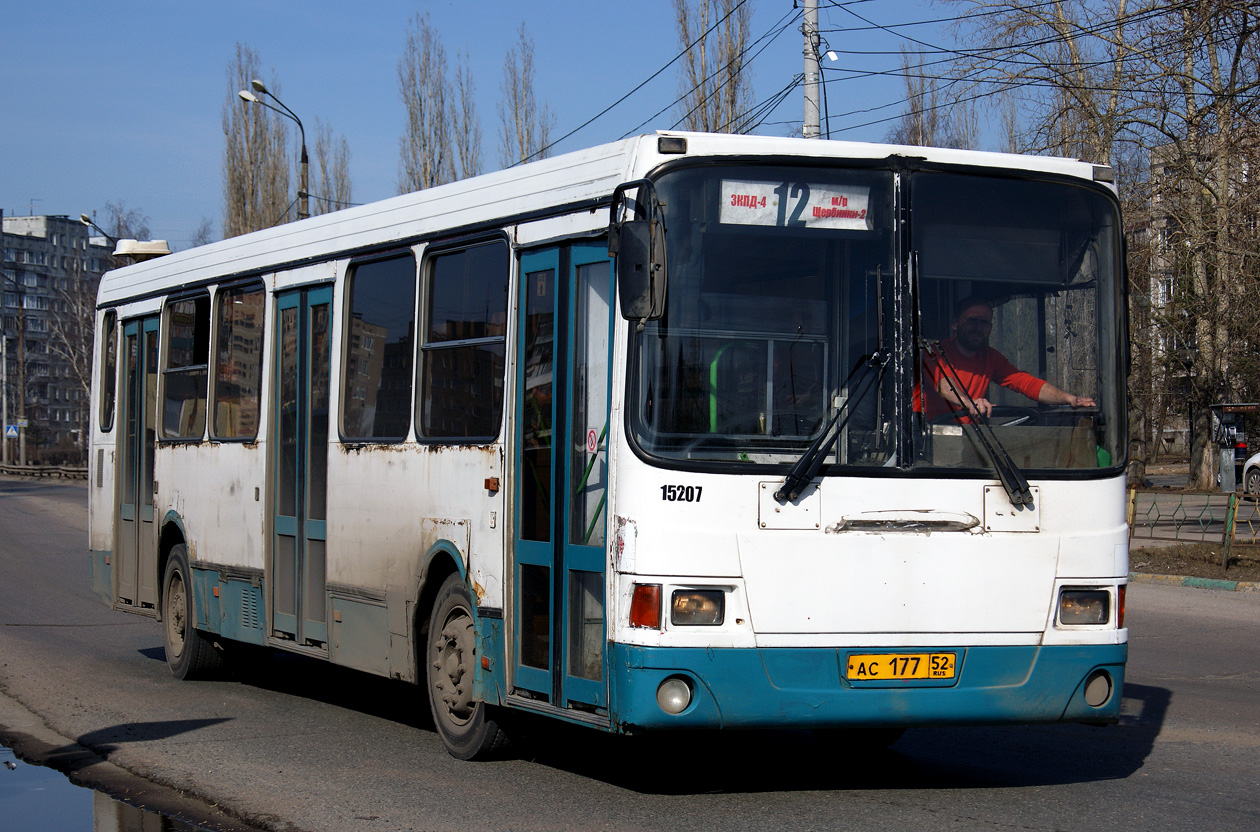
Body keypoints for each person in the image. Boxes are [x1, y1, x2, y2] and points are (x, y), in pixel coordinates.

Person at [922, 296, 1095, 421]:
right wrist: (968, 402)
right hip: (927, 443)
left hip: (968, 440)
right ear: (955, 323)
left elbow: (1025, 383)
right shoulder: (933, 351)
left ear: (990, 328)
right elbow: (944, 384)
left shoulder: (990, 357)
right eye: (971, 320)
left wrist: (1069, 399)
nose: (977, 327)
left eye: (984, 322)